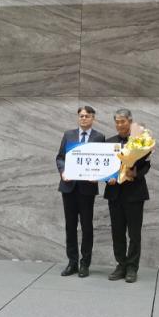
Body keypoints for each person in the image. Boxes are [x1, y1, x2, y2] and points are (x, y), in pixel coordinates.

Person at [55, 105, 105, 278]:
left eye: (87, 116)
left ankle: (85, 264)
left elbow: (103, 160)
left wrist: (98, 175)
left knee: (87, 227)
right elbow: (60, 157)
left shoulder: (99, 137)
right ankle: (72, 262)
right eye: (81, 116)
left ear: (93, 118)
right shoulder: (68, 135)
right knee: (70, 226)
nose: (83, 118)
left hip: (87, 188)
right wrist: (63, 172)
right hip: (69, 187)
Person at [104, 108, 150, 283]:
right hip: (114, 194)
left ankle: (132, 267)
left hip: (135, 194)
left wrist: (134, 172)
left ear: (130, 122)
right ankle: (121, 265)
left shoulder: (140, 141)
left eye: (122, 121)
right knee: (117, 232)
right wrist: (107, 178)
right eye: (116, 122)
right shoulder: (109, 142)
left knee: (134, 233)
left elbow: (147, 165)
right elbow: (104, 166)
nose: (119, 125)